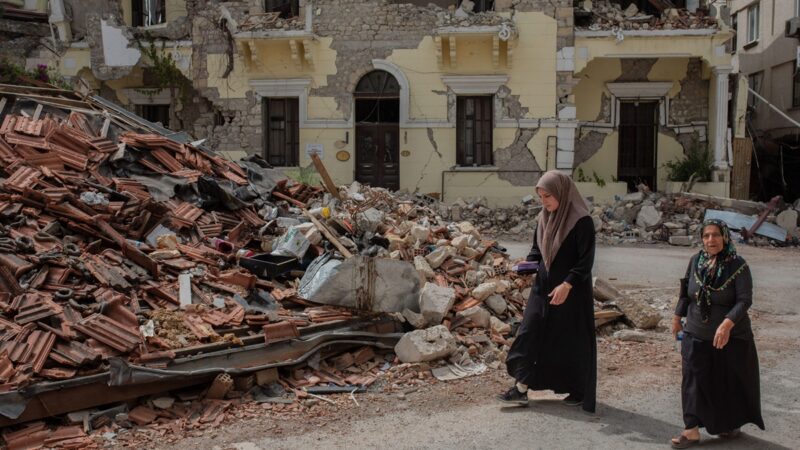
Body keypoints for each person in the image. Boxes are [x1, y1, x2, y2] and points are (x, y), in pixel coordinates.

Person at [496, 170, 597, 413]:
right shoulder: (544, 218)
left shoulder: (581, 221)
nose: (544, 202)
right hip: (543, 290)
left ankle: (576, 389)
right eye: (541, 197)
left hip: (570, 294)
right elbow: (537, 252)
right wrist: (523, 267)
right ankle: (521, 388)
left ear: (561, 193)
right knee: (530, 333)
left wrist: (568, 284)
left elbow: (585, 261)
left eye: (548, 196)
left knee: (565, 343)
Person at [670, 219, 764, 448]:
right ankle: (691, 429)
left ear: (725, 237)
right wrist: (676, 317)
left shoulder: (738, 265)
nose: (710, 240)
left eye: (715, 235)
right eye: (706, 236)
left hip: (730, 336)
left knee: (725, 381)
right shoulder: (696, 261)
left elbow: (744, 300)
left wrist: (726, 324)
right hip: (695, 331)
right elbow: (686, 293)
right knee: (692, 379)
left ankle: (727, 423)